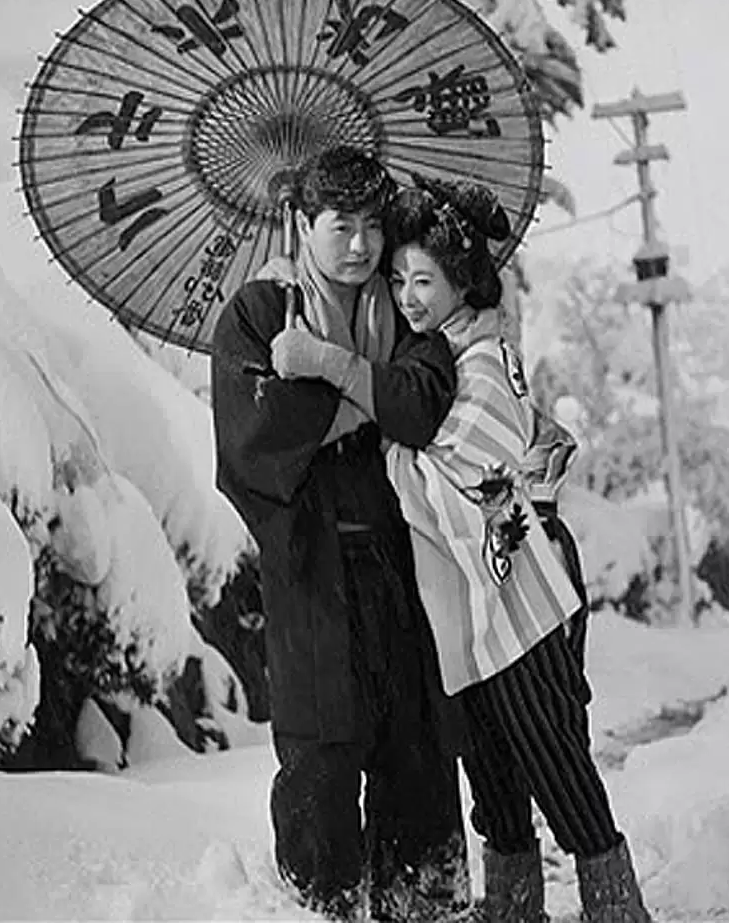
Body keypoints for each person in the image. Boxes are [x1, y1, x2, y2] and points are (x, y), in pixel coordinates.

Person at [269, 175, 654, 923]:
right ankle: (512, 905)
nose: (410, 297)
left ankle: (615, 904)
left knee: (555, 757)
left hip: (517, 607)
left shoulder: (486, 360)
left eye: (425, 281)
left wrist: (386, 446)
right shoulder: (443, 351)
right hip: (466, 621)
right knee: (491, 765)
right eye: (402, 280)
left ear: (461, 281)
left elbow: (461, 475)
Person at [210, 147, 470, 922]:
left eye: (371, 227)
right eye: (340, 226)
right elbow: (255, 440)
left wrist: (327, 368)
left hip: (402, 562)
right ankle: (321, 907)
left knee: (416, 744)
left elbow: (425, 404)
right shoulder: (259, 314)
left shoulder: (403, 305)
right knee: (322, 756)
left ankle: (425, 904)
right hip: (313, 572)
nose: (359, 245)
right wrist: (369, 387)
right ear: (301, 223)